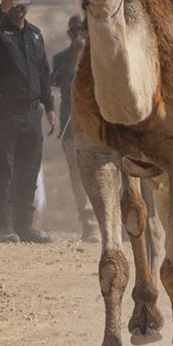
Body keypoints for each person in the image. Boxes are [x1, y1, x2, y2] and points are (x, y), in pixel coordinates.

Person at [0, 0, 57, 243]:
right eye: (14, 0)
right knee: (3, 171)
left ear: (30, 3)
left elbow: (43, 72)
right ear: (6, 0)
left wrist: (50, 107)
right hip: (4, 113)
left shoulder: (35, 34)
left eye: (24, 0)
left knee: (29, 170)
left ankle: (24, 226)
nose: (19, 6)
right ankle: (1, 227)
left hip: (32, 113)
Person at [50, 14, 96, 240]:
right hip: (72, 126)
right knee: (78, 175)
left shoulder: (102, 54)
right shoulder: (61, 58)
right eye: (73, 31)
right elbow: (61, 84)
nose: (78, 34)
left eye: (81, 29)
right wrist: (74, 55)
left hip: (100, 125)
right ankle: (89, 223)